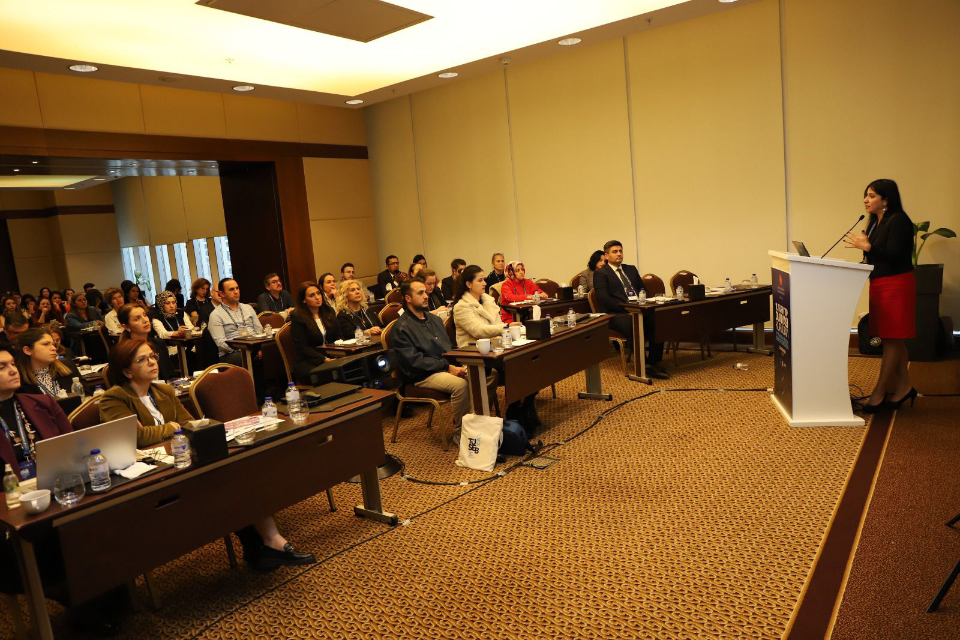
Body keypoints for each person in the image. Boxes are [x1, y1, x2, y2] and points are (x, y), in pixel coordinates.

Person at [98, 339, 316, 572]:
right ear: (127, 371)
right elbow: (138, 438)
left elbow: (190, 425)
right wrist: (172, 427)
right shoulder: (114, 399)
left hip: (183, 461)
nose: (152, 362)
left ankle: (269, 544)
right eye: (142, 359)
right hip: (152, 477)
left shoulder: (163, 391)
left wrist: (169, 429)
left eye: (153, 356)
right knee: (229, 484)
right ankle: (264, 547)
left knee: (238, 475)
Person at [843, 178, 917, 412]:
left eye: (872, 195)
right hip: (880, 284)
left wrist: (868, 248)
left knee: (892, 339)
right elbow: (877, 254)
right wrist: (867, 253)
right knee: (891, 338)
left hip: (896, 285)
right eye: (866, 195)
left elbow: (896, 255)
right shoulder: (876, 222)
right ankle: (904, 387)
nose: (866, 200)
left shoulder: (899, 221)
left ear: (886, 200)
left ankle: (879, 391)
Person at [453, 266, 541, 430]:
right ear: (469, 284)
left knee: (532, 360)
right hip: (477, 355)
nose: (485, 283)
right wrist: (505, 327)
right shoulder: (461, 307)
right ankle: (517, 410)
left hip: (497, 349)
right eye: (480, 280)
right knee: (519, 365)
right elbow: (478, 330)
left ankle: (522, 406)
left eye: (484, 279)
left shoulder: (488, 301)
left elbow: (498, 325)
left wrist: (512, 329)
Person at [392, 280, 469, 442]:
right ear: (408, 298)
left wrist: (467, 361)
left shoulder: (435, 320)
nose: (426, 296)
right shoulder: (401, 328)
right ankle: (461, 432)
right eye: (420, 293)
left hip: (444, 367)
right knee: (461, 385)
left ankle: (475, 422)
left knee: (486, 374)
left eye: (425, 292)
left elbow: (449, 348)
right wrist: (448, 367)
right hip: (421, 375)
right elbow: (415, 362)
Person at [594, 240, 668, 380]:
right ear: (606, 255)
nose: (619, 254)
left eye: (620, 251)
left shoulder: (631, 269)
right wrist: (628, 308)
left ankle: (654, 361)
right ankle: (644, 365)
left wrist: (644, 304)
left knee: (659, 321)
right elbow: (604, 299)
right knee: (634, 324)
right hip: (616, 313)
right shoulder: (601, 274)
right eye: (615, 252)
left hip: (638, 308)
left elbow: (643, 290)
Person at [289, 282, 339, 384]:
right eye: (312, 295)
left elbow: (339, 336)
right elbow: (303, 347)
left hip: (330, 356)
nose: (317, 297)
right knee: (330, 373)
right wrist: (323, 359)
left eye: (318, 293)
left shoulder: (329, 311)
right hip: (308, 361)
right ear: (304, 300)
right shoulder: (298, 317)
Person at [209, 278, 263, 365]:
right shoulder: (215, 315)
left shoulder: (248, 308)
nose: (236, 292)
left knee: (274, 351)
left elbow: (259, 330)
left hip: (254, 347)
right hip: (232, 353)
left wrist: (258, 348)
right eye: (231, 289)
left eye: (237, 288)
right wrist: (244, 350)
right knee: (248, 357)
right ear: (222, 294)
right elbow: (221, 343)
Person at [14, 328, 81, 396]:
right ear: (27, 350)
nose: (54, 348)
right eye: (46, 344)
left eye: (53, 344)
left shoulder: (67, 365)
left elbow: (84, 394)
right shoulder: (18, 381)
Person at [117, 304, 176, 381]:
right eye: (137, 319)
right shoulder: (125, 351)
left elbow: (170, 375)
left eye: (144, 315)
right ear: (126, 327)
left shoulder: (159, 343)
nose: (145, 320)